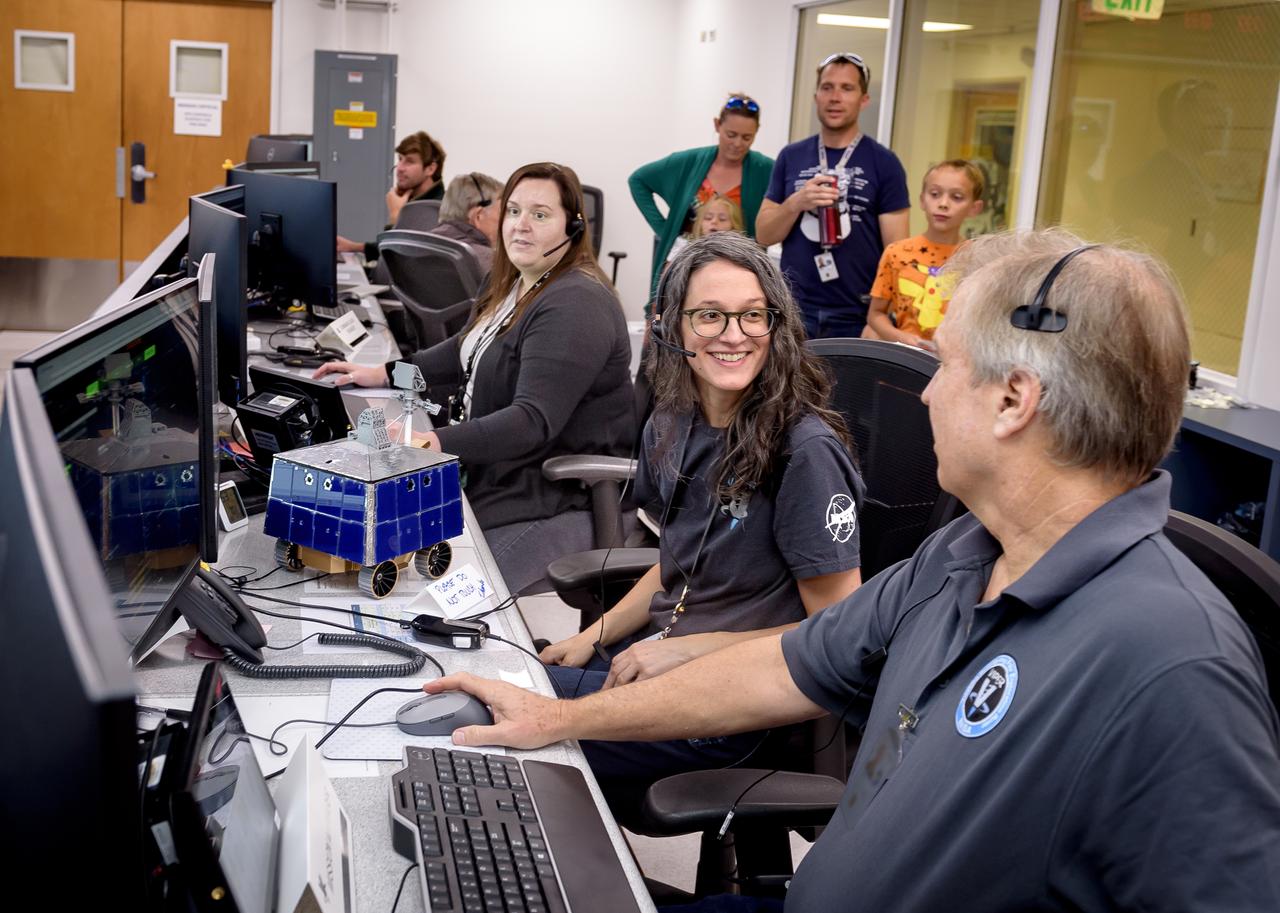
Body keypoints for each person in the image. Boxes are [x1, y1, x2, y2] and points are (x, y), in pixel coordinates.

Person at [422, 229, 1280, 911]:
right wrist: (555, 716)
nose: (927, 393)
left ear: (1015, 400)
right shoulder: (960, 554)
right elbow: (784, 663)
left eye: (946, 365)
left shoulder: (1174, 664)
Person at [539, 231, 864, 800]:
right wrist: (595, 634)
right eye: (710, 315)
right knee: (503, 686)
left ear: (775, 324)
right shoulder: (672, 420)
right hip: (644, 664)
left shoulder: (804, 453)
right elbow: (676, 563)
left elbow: (839, 633)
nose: (733, 335)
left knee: (508, 722)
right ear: (672, 325)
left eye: (751, 316)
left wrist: (690, 648)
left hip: (726, 705)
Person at [316, 163, 635, 594]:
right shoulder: (510, 283)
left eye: (540, 215)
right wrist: (384, 373)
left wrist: (435, 442)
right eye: (514, 211)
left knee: (436, 593)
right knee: (369, 541)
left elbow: (531, 421)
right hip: (492, 476)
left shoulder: (575, 303)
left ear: (573, 227)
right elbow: (462, 352)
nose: (521, 225)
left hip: (549, 497)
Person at [756, 53, 910, 339]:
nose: (835, 97)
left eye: (846, 88)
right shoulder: (792, 156)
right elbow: (764, 234)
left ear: (864, 99)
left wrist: (879, 318)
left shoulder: (884, 162)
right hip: (794, 308)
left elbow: (897, 255)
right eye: (827, 87)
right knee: (790, 386)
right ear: (816, 96)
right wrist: (796, 203)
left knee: (848, 387)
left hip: (856, 314)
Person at [629, 94, 775, 306]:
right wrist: (665, 230)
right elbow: (638, 180)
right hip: (685, 270)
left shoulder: (765, 169)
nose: (737, 144)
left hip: (735, 276)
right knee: (670, 324)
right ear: (717, 125)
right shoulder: (689, 162)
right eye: (731, 134)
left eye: (746, 138)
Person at [865, 160, 985, 347]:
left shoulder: (979, 259)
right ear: (922, 199)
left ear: (974, 208)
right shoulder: (897, 253)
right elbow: (875, 314)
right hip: (907, 360)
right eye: (935, 194)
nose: (943, 204)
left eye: (957, 197)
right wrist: (900, 337)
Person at [336, 130, 446, 260]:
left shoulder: (435, 211)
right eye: (400, 159)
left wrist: (395, 216)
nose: (399, 168)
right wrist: (354, 247)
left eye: (409, 161)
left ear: (430, 169)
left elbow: (396, 261)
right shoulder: (417, 201)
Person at [427, 171, 504, 273]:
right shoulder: (491, 262)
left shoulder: (416, 244)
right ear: (478, 216)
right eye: (502, 213)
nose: (506, 222)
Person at [663, 192, 745, 266]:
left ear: (734, 226)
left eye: (722, 219)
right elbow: (669, 272)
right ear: (700, 224)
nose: (714, 221)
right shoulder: (684, 244)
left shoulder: (740, 251)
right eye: (708, 218)